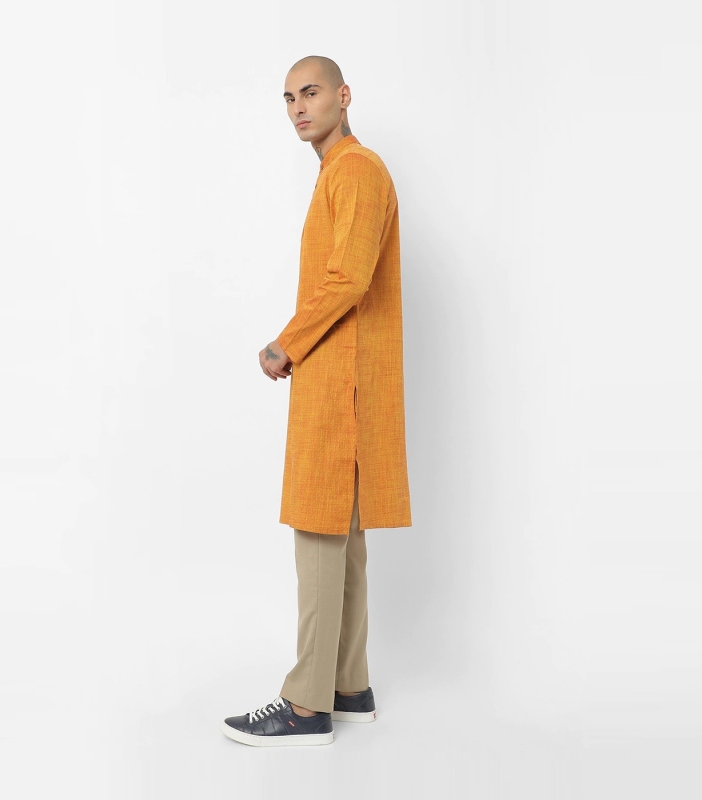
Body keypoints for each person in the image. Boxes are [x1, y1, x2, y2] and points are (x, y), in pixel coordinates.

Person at [221, 55, 412, 747]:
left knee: (320, 536)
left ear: (343, 96)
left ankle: (307, 707)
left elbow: (348, 279)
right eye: (288, 98)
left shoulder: (354, 170)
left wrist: (286, 343)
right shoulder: (343, 171)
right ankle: (348, 686)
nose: (298, 107)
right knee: (342, 541)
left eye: (310, 92)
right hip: (342, 379)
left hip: (340, 384)